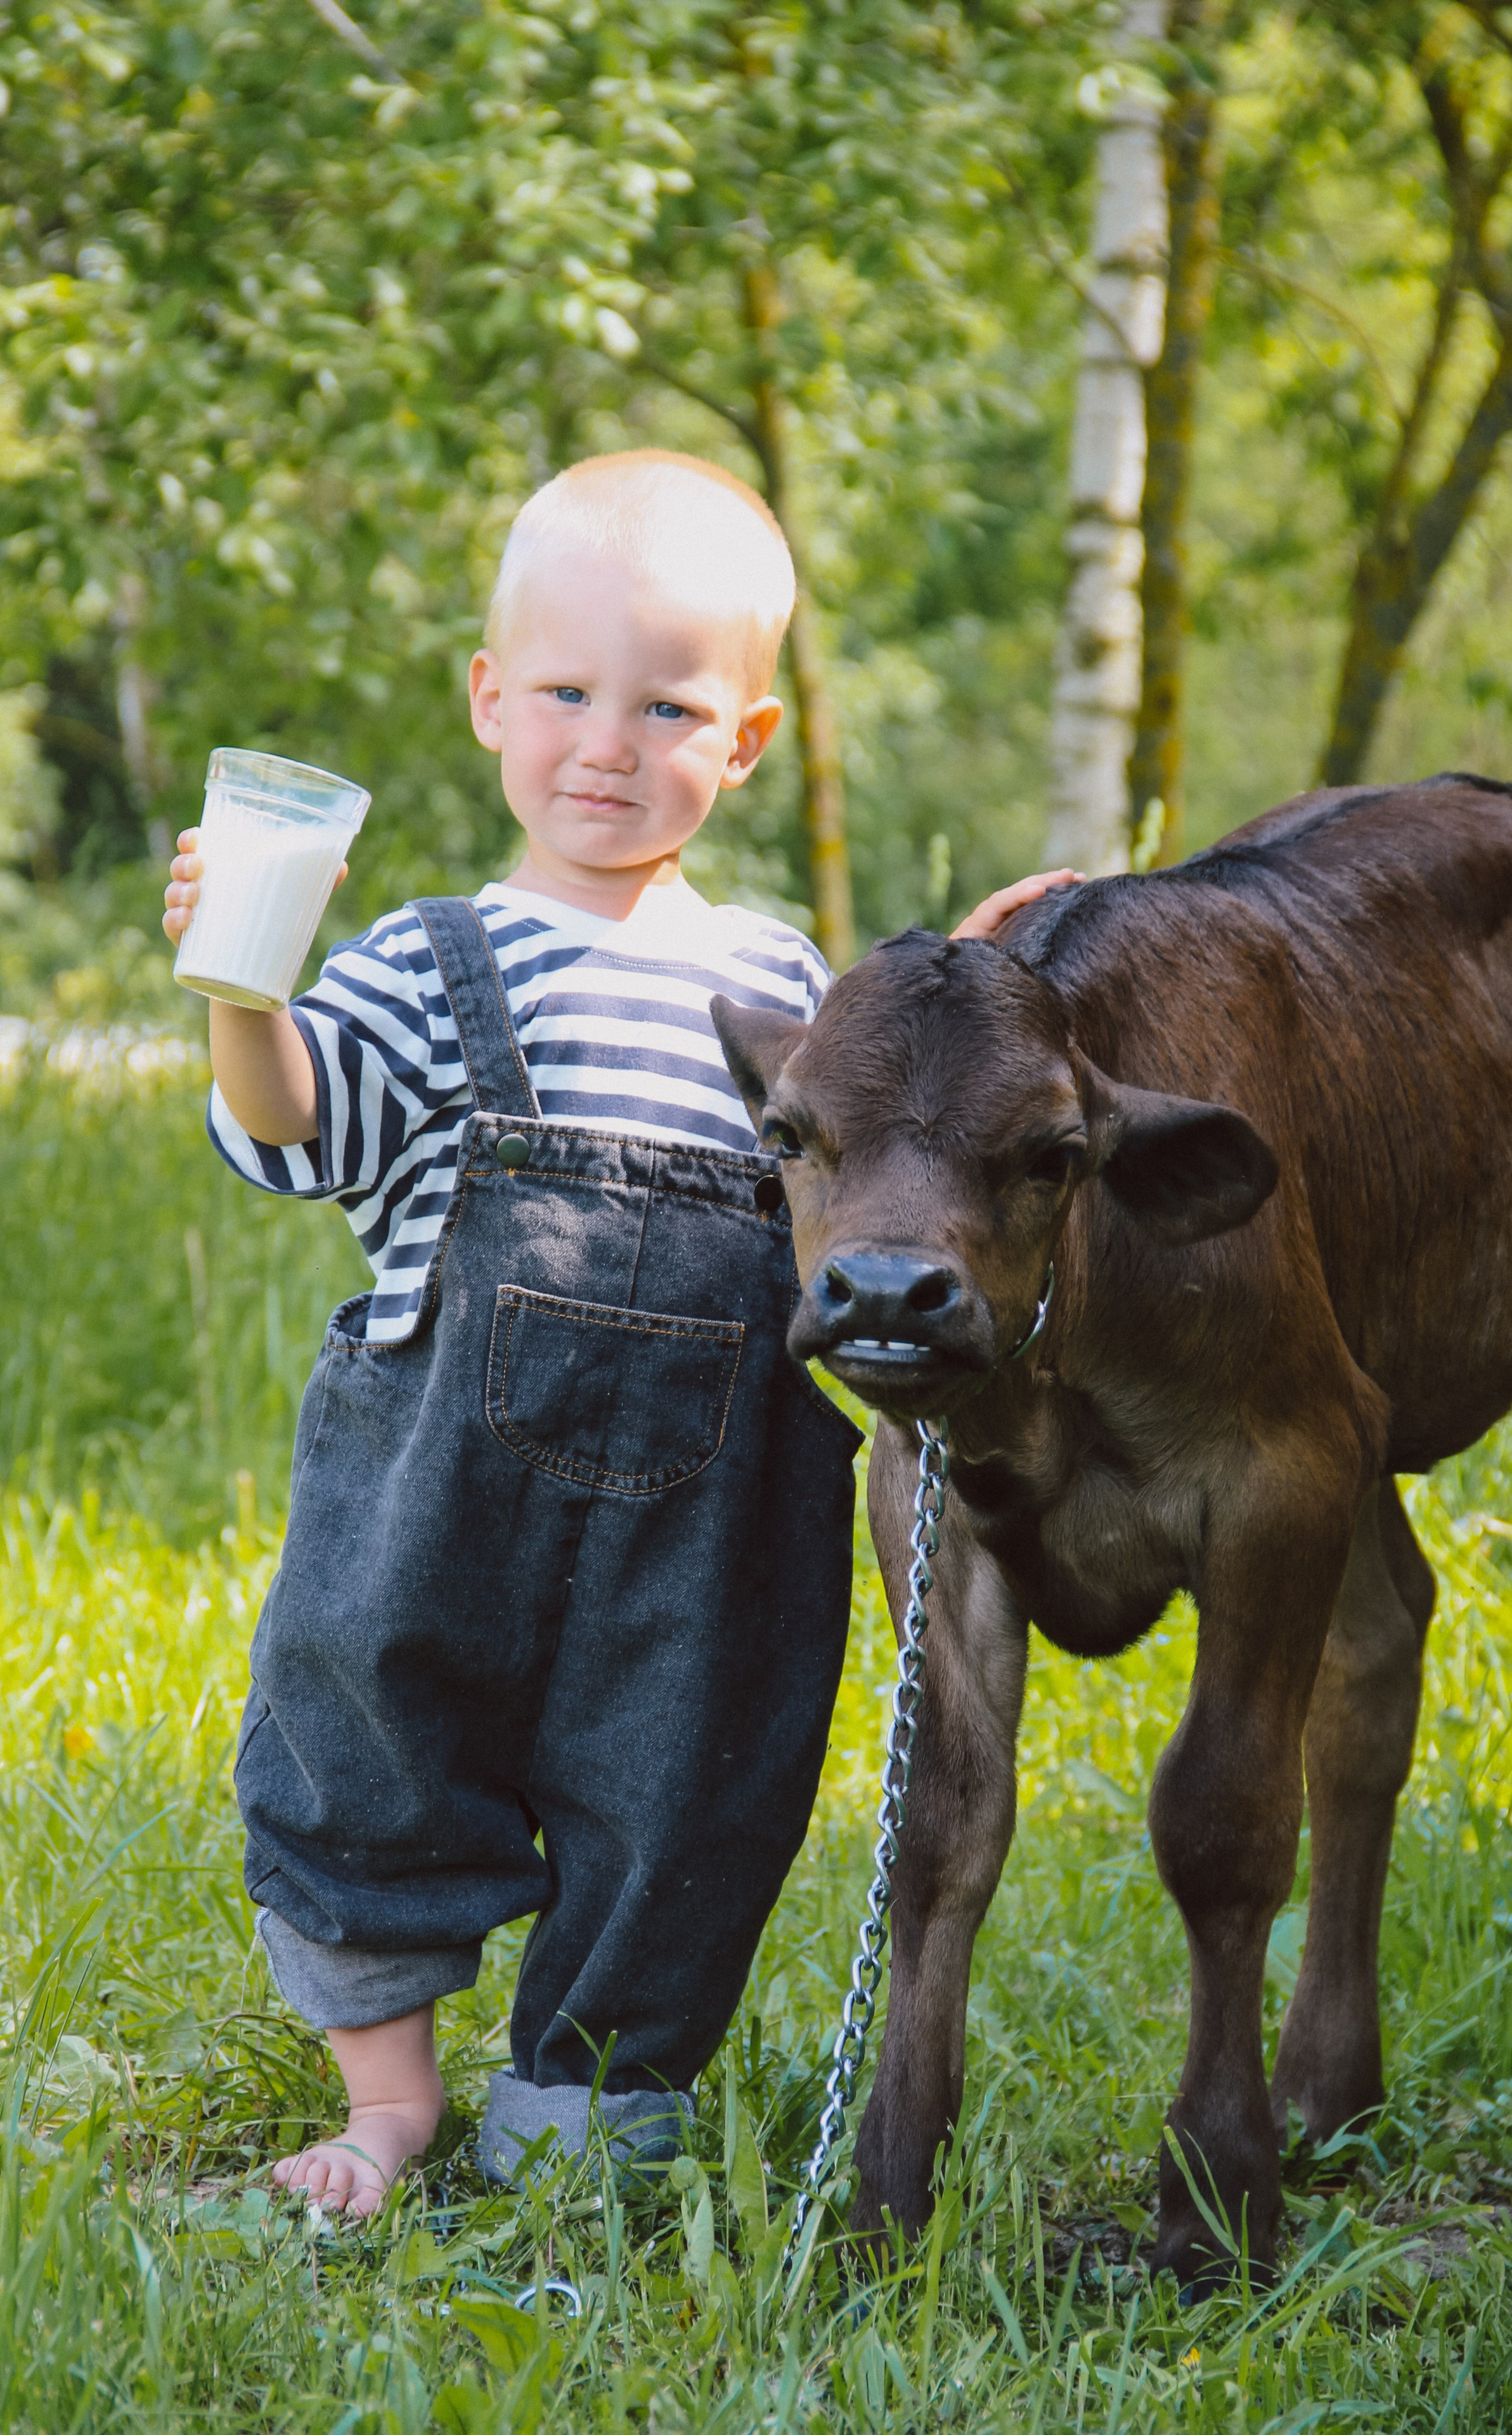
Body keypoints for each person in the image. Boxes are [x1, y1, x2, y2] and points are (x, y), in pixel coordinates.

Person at [164, 448, 1080, 2216]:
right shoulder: (427, 964)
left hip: (714, 1509)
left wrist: (956, 981)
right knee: (372, 1740)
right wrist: (243, 989)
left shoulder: (790, 987)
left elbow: (894, 1139)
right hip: (438, 1487)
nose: (608, 743)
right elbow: (293, 1129)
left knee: (692, 1777)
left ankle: (591, 2105)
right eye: (568, 694)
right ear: (492, 701)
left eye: (666, 706)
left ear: (739, 744)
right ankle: (390, 2106)